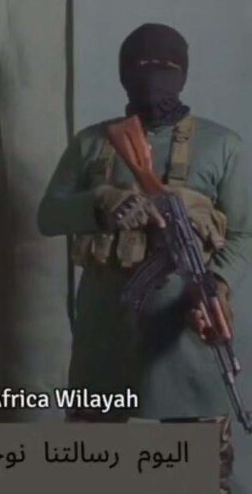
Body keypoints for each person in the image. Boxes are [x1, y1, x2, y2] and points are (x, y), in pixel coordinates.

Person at [37, 23, 252, 423]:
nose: (153, 77)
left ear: (183, 73)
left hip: (182, 331)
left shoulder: (222, 145)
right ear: (123, 74)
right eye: (140, 65)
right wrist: (101, 203)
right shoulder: (92, 143)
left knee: (191, 449)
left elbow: (244, 234)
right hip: (106, 334)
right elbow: (48, 216)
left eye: (166, 66)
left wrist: (217, 285)